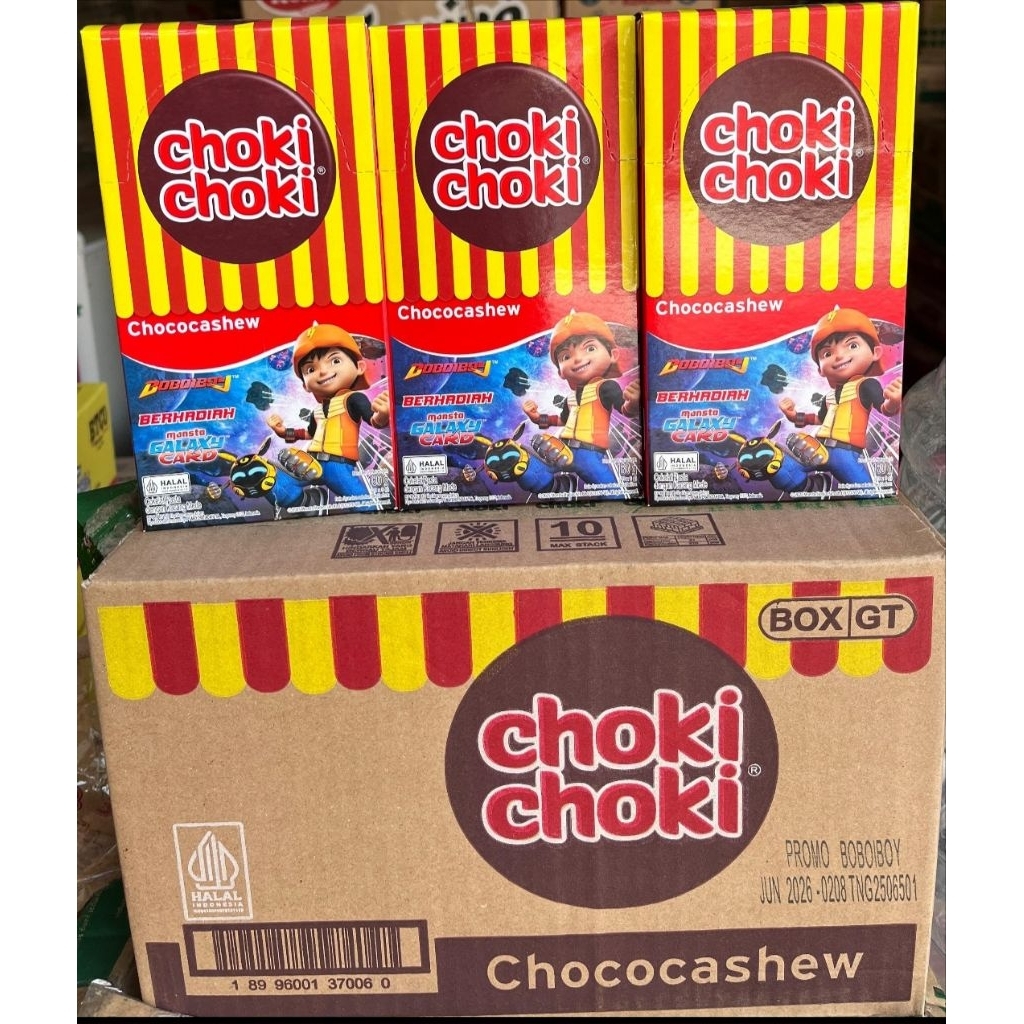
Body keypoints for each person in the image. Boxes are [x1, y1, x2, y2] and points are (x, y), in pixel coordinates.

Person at [486, 311, 640, 496]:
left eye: (590, 348)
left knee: (613, 493)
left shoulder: (606, 387)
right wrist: (536, 417)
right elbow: (562, 420)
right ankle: (560, 489)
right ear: (560, 371)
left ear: (612, 354)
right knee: (526, 469)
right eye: (566, 357)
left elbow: (625, 410)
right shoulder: (571, 397)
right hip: (559, 450)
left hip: (588, 454)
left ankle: (609, 495)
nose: (578, 359)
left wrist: (633, 402)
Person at [265, 322, 390, 510]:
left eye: (335, 361)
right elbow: (309, 433)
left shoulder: (353, 399)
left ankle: (370, 515)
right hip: (309, 463)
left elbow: (374, 420)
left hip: (337, 465)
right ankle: (309, 504)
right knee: (274, 483)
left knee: (364, 505)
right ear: (305, 385)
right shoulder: (317, 410)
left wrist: (383, 414)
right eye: (310, 369)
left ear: (359, 367)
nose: (323, 371)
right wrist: (282, 432)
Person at [778, 307, 902, 486]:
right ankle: (814, 488)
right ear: (820, 369)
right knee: (783, 470)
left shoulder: (866, 385)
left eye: (852, 345)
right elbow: (819, 419)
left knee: (866, 492)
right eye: (827, 353)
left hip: (845, 453)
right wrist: (792, 415)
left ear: (875, 353)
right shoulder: (829, 397)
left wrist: (894, 401)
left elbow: (884, 408)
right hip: (817, 449)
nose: (840, 356)